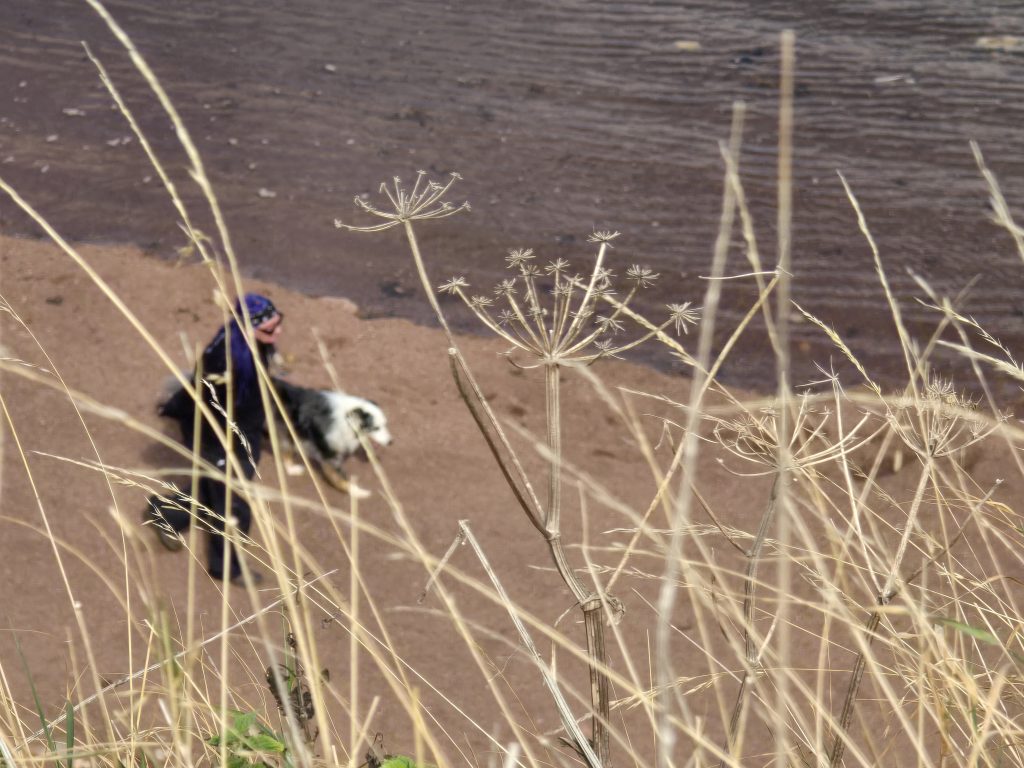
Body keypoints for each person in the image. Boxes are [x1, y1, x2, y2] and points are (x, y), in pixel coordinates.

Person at [144, 293, 283, 586]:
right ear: (248, 329)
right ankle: (226, 567)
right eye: (270, 328)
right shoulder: (224, 362)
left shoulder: (249, 350)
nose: (278, 332)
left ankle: (167, 513)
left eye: (278, 323)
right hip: (220, 441)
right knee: (232, 507)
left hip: (244, 435)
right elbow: (206, 407)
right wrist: (222, 449)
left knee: (214, 491)